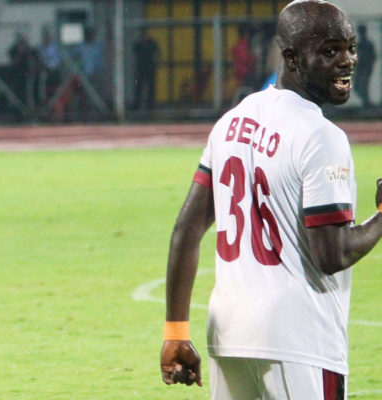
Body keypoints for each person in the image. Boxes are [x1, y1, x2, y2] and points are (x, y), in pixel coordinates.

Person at [160, 1, 382, 398]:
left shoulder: (231, 122)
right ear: (292, 58)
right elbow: (332, 254)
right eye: (329, 51)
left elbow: (186, 230)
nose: (346, 60)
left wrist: (175, 332)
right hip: (299, 341)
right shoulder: (320, 136)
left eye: (350, 48)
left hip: (229, 335)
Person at [133, 29, 160, 110]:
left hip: (150, 69)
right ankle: (137, 105)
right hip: (141, 69)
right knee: (139, 87)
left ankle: (150, 105)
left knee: (151, 87)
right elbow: (135, 53)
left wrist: (155, 61)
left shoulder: (151, 43)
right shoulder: (139, 44)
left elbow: (157, 53)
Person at [355, 24, 376, 108]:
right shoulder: (362, 44)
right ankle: (366, 102)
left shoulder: (366, 44)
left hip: (364, 68)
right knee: (359, 86)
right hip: (362, 68)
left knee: (362, 86)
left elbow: (372, 56)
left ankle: (366, 102)